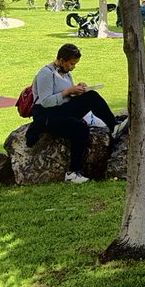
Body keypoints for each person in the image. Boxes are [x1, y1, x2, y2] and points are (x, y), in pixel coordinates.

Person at [27, 43, 128, 184]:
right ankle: (73, 172)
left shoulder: (66, 73)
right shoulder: (46, 74)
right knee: (80, 127)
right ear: (61, 60)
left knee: (91, 96)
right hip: (47, 114)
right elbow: (45, 101)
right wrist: (68, 91)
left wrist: (78, 90)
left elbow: (66, 95)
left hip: (61, 109)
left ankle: (113, 126)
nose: (73, 67)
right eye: (71, 64)